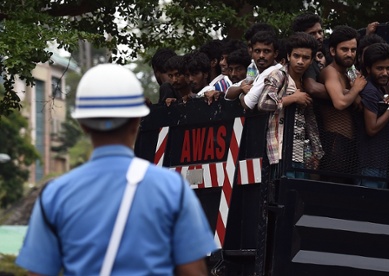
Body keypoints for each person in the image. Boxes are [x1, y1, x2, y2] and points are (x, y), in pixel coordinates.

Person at [15, 64, 216, 275]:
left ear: (83, 124)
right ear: (137, 120)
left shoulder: (55, 195)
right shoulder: (172, 189)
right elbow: (193, 271)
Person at [258, 32, 324, 178]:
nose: (300, 61)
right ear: (288, 56)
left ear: (312, 59)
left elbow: (310, 121)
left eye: (305, 58)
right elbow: (263, 103)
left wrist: (316, 152)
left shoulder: (306, 83)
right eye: (296, 56)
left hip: (300, 153)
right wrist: (292, 98)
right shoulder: (279, 75)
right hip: (279, 151)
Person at [318, 25, 367, 182]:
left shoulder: (348, 73)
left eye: (353, 50)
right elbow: (339, 102)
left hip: (349, 145)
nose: (349, 54)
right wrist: (355, 90)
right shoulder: (330, 71)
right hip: (334, 142)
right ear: (333, 51)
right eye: (344, 49)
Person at [357, 43, 389, 188]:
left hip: (381, 163)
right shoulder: (369, 91)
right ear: (369, 69)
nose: (385, 73)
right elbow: (372, 128)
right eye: (379, 68)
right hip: (370, 163)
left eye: (388, 68)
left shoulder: (381, 89)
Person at [226, 31, 282, 109]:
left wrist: (241, 94)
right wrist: (241, 89)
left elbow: (247, 104)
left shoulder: (272, 72)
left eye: (266, 51)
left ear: (275, 53)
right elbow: (228, 93)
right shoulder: (255, 71)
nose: (261, 55)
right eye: (257, 51)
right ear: (251, 52)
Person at [291, 12, 329, 100]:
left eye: (320, 32)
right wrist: (347, 93)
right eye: (312, 34)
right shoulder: (303, 60)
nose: (319, 36)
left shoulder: (323, 54)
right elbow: (312, 88)